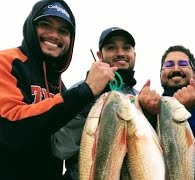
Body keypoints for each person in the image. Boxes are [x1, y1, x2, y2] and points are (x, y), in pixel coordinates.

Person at [0, 0, 121, 179]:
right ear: (31, 27)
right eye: (45, 25)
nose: (54, 35)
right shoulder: (7, 62)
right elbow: (12, 130)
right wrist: (86, 89)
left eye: (63, 31)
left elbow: (60, 146)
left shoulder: (59, 84)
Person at [52, 27, 160, 180]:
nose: (120, 53)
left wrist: (149, 114)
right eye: (111, 47)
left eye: (127, 47)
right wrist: (88, 97)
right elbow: (60, 148)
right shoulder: (79, 91)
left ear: (134, 55)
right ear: (99, 55)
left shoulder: (140, 98)